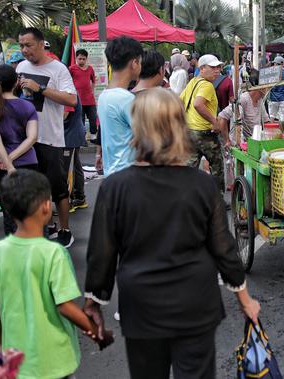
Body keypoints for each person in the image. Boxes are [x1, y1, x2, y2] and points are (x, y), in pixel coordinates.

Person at [83, 88, 260, 379]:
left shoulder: (114, 188)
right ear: (180, 126)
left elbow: (102, 254)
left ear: (137, 127)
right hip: (196, 304)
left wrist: (93, 302)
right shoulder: (201, 185)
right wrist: (245, 300)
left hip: (141, 306)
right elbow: (223, 248)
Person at [0, 170, 112, 379]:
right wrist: (95, 332)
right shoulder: (54, 253)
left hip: (16, 360)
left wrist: (2, 345)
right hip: (53, 360)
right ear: (46, 206)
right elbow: (64, 306)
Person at [16, 27, 78, 248]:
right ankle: (49, 225)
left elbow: (72, 100)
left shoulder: (58, 69)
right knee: (35, 188)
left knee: (58, 188)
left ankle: (64, 229)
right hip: (26, 140)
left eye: (28, 45)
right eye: (21, 45)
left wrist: (40, 88)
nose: (24, 50)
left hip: (50, 138)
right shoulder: (21, 67)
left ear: (41, 44)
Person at [0, 64, 33, 234]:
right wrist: (12, 160)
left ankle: (12, 254)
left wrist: (8, 164)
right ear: (16, 83)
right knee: (27, 212)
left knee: (9, 214)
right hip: (28, 162)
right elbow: (32, 138)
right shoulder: (27, 106)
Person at [97, 36, 143, 176]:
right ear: (134, 63)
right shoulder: (126, 99)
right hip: (129, 174)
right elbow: (145, 139)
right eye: (140, 62)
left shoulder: (104, 96)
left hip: (112, 173)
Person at [179, 54, 225, 186]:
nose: (217, 71)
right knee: (217, 167)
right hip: (205, 133)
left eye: (219, 67)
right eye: (213, 67)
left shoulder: (192, 82)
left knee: (189, 169)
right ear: (202, 68)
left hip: (190, 132)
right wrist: (214, 121)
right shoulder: (207, 85)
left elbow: (180, 102)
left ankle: (185, 199)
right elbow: (198, 104)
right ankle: (217, 199)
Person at [218, 69, 268, 143]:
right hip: (240, 143)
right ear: (261, 87)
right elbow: (222, 117)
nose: (268, 88)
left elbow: (266, 121)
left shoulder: (260, 100)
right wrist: (227, 140)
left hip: (254, 142)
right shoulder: (243, 99)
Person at [62, 94, 88, 213]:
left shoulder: (67, 92)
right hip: (72, 134)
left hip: (71, 136)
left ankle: (69, 201)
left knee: (69, 169)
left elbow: (64, 115)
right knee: (75, 166)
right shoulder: (69, 91)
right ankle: (79, 197)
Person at [69, 49, 98, 140]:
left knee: (93, 117)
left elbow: (93, 81)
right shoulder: (71, 68)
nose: (81, 60)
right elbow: (67, 81)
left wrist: (92, 91)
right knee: (80, 120)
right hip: (78, 99)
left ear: (86, 59)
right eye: (79, 58)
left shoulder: (90, 69)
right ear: (76, 58)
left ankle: (93, 136)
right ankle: (82, 138)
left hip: (90, 99)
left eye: (83, 59)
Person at [268, 56, 284, 122]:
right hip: (283, 98)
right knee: (282, 117)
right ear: (282, 63)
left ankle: (272, 131)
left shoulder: (271, 73)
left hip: (273, 99)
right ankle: (281, 132)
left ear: (275, 63)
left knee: (272, 116)